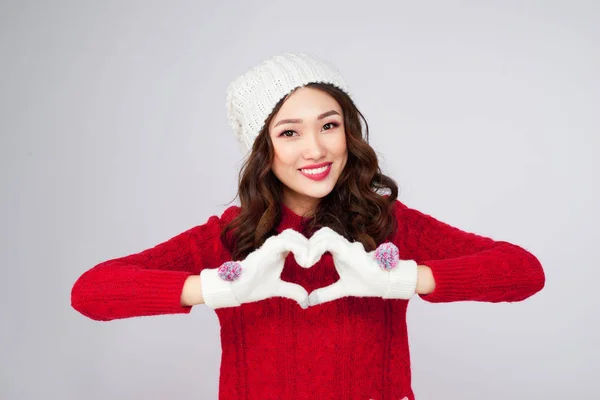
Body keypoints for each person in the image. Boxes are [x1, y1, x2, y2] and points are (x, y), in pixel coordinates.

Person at [71, 52, 546, 400]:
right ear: (263, 148)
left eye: (330, 125)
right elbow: (91, 292)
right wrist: (218, 287)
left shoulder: (387, 225)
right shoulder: (231, 237)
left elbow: (523, 271)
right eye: (289, 132)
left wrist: (400, 279)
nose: (315, 149)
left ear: (349, 132)